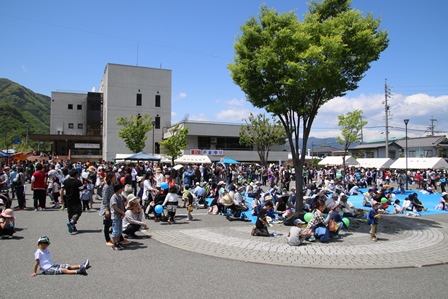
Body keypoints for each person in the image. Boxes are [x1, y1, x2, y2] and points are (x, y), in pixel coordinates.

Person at [60, 168, 83, 234]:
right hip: (76, 199)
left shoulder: (65, 181)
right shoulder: (78, 181)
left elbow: (61, 190)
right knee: (78, 212)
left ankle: (72, 226)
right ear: (76, 175)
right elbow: (81, 189)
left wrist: (61, 199)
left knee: (70, 213)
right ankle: (72, 223)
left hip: (68, 199)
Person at [110, 183, 126, 250]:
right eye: (121, 188)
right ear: (119, 189)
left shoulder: (120, 196)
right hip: (115, 216)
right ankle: (114, 244)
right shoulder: (114, 197)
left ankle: (118, 242)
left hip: (120, 216)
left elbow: (122, 205)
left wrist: (122, 213)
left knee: (119, 230)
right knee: (115, 230)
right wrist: (122, 212)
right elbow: (115, 207)